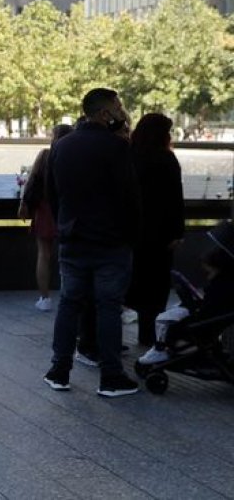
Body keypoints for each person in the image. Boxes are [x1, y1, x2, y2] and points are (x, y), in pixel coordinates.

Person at [43, 88, 141, 398]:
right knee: (108, 307)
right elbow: (130, 198)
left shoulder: (62, 146)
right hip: (110, 243)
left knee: (69, 303)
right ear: (104, 113)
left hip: (72, 240)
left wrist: (65, 225)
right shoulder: (118, 148)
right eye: (118, 107)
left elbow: (52, 194)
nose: (122, 112)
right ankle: (111, 376)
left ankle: (59, 370)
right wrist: (130, 235)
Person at [127, 113, 184, 347]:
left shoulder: (129, 157)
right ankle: (147, 334)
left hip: (131, 231)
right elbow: (175, 199)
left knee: (132, 280)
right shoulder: (167, 160)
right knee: (155, 284)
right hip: (160, 234)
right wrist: (177, 232)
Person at [137, 242, 234, 365]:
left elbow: (209, 309)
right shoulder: (224, 283)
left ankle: (161, 350)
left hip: (204, 325)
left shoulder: (220, 285)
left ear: (218, 267)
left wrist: (193, 306)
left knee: (170, 322)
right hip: (209, 321)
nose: (207, 275)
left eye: (209, 271)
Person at [18, 123, 73, 311]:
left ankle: (45, 298)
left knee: (43, 254)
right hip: (67, 210)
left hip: (44, 210)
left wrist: (24, 205)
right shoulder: (71, 157)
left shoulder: (44, 155)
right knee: (68, 256)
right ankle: (69, 292)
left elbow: (32, 181)